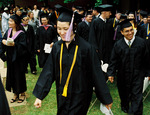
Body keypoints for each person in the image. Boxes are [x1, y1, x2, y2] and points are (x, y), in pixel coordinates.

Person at [33, 6, 113, 114]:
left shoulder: (86, 48)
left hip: (80, 95)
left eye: (65, 29)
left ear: (73, 26)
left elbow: (96, 73)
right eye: (59, 28)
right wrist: (40, 96)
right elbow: (49, 71)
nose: (61, 32)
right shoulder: (57, 47)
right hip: (62, 94)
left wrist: (105, 98)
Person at [107, 19, 150, 114]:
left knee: (137, 95)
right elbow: (113, 60)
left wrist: (148, 72)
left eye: (131, 30)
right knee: (124, 93)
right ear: (121, 32)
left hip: (138, 74)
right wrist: (111, 73)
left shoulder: (141, 43)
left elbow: (147, 59)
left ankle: (135, 112)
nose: (130, 33)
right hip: (123, 75)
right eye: (127, 31)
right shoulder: (118, 45)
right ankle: (125, 106)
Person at [0, 14, 28, 103]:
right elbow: (3, 43)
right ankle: (15, 93)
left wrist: (15, 44)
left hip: (19, 59)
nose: (9, 22)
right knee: (12, 76)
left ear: (16, 23)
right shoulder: (8, 31)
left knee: (19, 76)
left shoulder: (21, 34)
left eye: (11, 21)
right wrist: (3, 42)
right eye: (9, 20)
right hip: (10, 58)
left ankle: (22, 94)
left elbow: (24, 47)